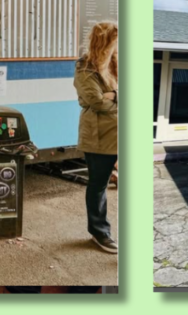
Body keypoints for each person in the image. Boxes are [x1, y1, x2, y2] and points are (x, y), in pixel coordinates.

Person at [73, 21, 119, 254]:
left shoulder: (116, 62)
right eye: (115, 41)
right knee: (99, 186)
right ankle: (100, 233)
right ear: (105, 41)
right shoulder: (85, 66)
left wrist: (115, 94)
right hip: (99, 137)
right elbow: (95, 102)